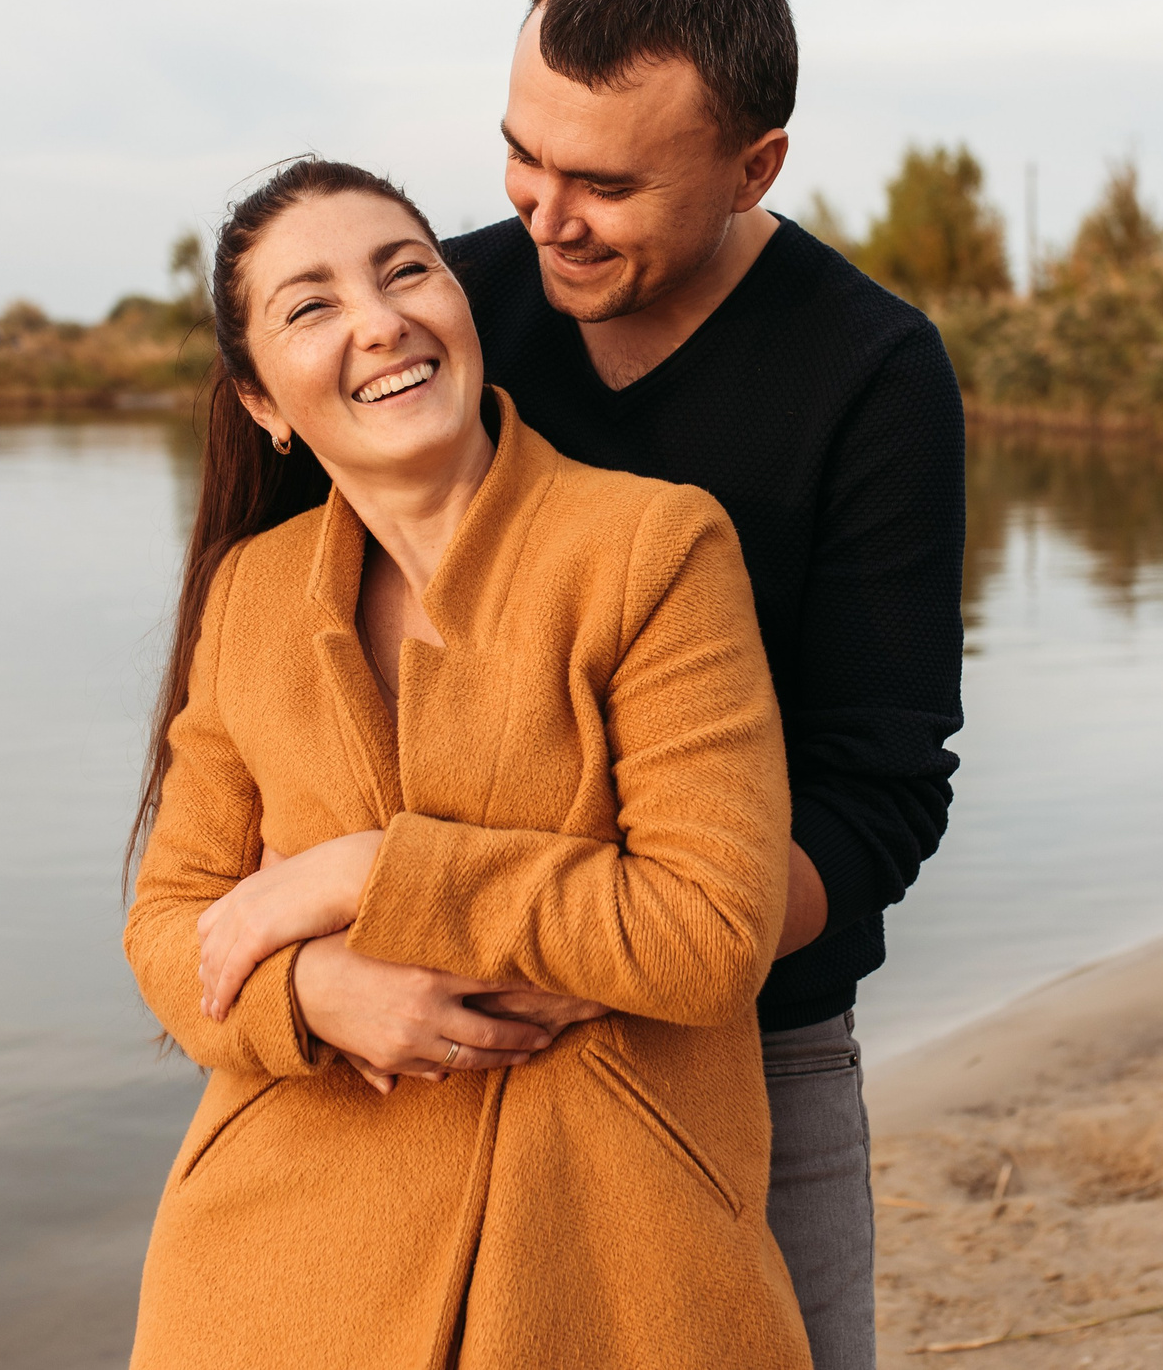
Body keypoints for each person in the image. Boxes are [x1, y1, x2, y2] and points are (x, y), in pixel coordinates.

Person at [122, 157, 814, 1369]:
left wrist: (361, 874)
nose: (379, 319)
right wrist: (316, 994)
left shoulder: (653, 547)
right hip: (274, 1279)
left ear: (460, 304)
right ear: (262, 401)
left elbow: (708, 931)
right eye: (311, 303)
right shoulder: (251, 593)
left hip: (607, 1264)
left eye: (405, 271)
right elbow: (174, 928)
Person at [443, 0, 967, 1370]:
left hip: (751, 1047)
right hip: (443, 1035)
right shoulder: (448, 311)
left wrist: (639, 953)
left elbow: (881, 794)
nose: (546, 214)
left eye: (606, 183)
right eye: (522, 156)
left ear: (755, 168)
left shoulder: (874, 373)